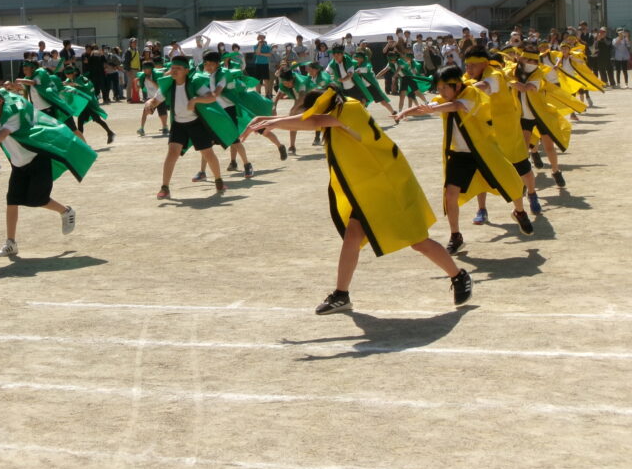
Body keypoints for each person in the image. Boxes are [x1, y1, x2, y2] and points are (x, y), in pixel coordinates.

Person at [244, 88, 472, 314]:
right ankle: (341, 294)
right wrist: (268, 119)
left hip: (389, 184)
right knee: (353, 235)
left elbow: (314, 121)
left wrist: (274, 122)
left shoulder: (349, 108)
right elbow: (312, 120)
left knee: (417, 240)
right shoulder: (339, 111)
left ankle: (458, 276)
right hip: (371, 189)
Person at [0, 85, 96, 258]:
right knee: (12, 201)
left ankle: (66, 211)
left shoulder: (12, 111)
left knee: (37, 199)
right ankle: (11, 243)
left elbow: (3, 134)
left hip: (37, 158)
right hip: (18, 163)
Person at [396, 65, 533, 255]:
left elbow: (456, 106)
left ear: (458, 85)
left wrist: (431, 109)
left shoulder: (471, 94)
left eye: (445, 87)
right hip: (459, 155)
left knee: (511, 182)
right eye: (439, 88)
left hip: (484, 152)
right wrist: (405, 112)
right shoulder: (443, 100)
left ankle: (519, 212)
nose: (442, 92)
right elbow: (428, 106)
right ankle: (456, 235)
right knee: (450, 195)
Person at [462, 48, 541, 224]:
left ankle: (532, 194)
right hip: (485, 135)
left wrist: (462, 91)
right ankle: (482, 209)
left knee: (523, 169)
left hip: (507, 132)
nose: (469, 68)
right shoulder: (466, 78)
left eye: (473, 65)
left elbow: (485, 86)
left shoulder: (495, 75)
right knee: (481, 173)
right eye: (467, 65)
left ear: (484, 64)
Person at [143, 55, 238, 198]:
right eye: (172, 68)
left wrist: (195, 100)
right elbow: (155, 100)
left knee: (208, 153)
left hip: (196, 124)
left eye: (178, 68)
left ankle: (218, 180)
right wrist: (149, 104)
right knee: (172, 153)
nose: (174, 71)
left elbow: (211, 97)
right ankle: (165, 187)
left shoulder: (195, 82)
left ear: (186, 70)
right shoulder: (168, 84)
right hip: (178, 124)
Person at [509, 44, 569, 188]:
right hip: (524, 116)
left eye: (534, 61)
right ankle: (525, 177)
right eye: (528, 60)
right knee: (523, 149)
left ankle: (555, 170)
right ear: (521, 59)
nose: (531, 64)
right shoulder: (513, 71)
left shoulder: (538, 74)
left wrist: (508, 80)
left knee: (549, 147)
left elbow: (525, 88)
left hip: (541, 115)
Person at [63, 64, 115, 144]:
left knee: (97, 119)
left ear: (73, 73)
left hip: (89, 103)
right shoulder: (70, 79)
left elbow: (83, 85)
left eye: (68, 74)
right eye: (66, 74)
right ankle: (81, 143)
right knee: (80, 122)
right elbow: (65, 83)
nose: (67, 75)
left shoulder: (81, 78)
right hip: (83, 104)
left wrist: (71, 84)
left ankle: (109, 132)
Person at [136, 61, 169, 136]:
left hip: (160, 97)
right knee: (145, 112)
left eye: (146, 68)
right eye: (143, 68)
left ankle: (165, 127)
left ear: (151, 69)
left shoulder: (157, 75)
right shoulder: (142, 77)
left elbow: (159, 87)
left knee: (162, 114)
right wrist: (137, 83)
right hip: (150, 97)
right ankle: (141, 128)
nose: (144, 70)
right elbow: (138, 89)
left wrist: (150, 80)